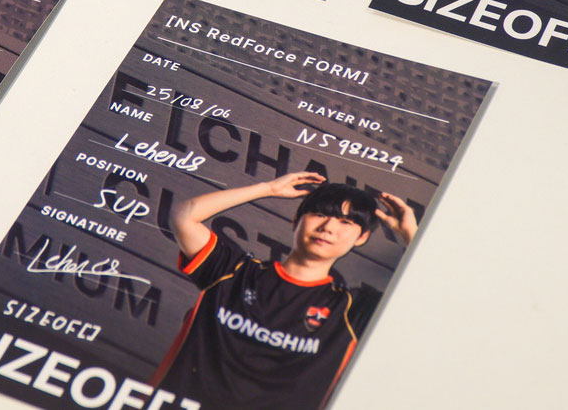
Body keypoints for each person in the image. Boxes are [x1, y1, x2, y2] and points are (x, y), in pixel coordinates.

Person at [152, 171, 416, 410]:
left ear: (362, 237)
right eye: (320, 214)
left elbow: (431, 307)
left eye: (346, 222)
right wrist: (267, 189)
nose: (328, 228)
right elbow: (184, 217)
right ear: (296, 220)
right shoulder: (233, 272)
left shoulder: (353, 310)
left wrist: (412, 235)